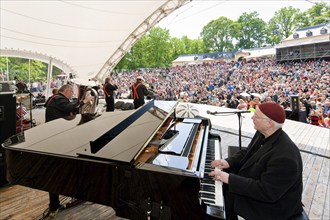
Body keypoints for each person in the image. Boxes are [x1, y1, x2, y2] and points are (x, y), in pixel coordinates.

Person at [209, 102, 303, 220]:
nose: (252, 117)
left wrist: (227, 178)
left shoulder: (285, 157)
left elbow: (266, 192)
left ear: (269, 123)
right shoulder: (263, 132)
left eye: (257, 116)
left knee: (220, 202)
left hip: (272, 208)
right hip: (258, 187)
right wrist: (228, 162)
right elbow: (248, 152)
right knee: (219, 190)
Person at [45, 84, 93, 217]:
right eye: (71, 92)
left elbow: (68, 111)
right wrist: (84, 101)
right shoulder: (59, 99)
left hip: (56, 137)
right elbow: (70, 107)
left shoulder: (55, 99)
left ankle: (58, 201)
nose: (72, 95)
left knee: (60, 170)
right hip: (59, 140)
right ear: (66, 91)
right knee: (60, 170)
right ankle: (68, 195)